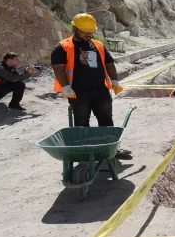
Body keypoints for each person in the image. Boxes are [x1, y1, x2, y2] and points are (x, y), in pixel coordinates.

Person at [51, 13, 130, 158]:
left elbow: (109, 63)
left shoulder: (98, 45)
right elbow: (58, 68)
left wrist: (115, 81)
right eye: (84, 31)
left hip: (100, 89)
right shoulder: (63, 47)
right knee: (81, 121)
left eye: (91, 31)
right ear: (74, 28)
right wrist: (66, 87)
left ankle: (110, 149)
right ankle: (84, 151)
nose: (89, 34)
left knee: (106, 119)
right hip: (78, 91)